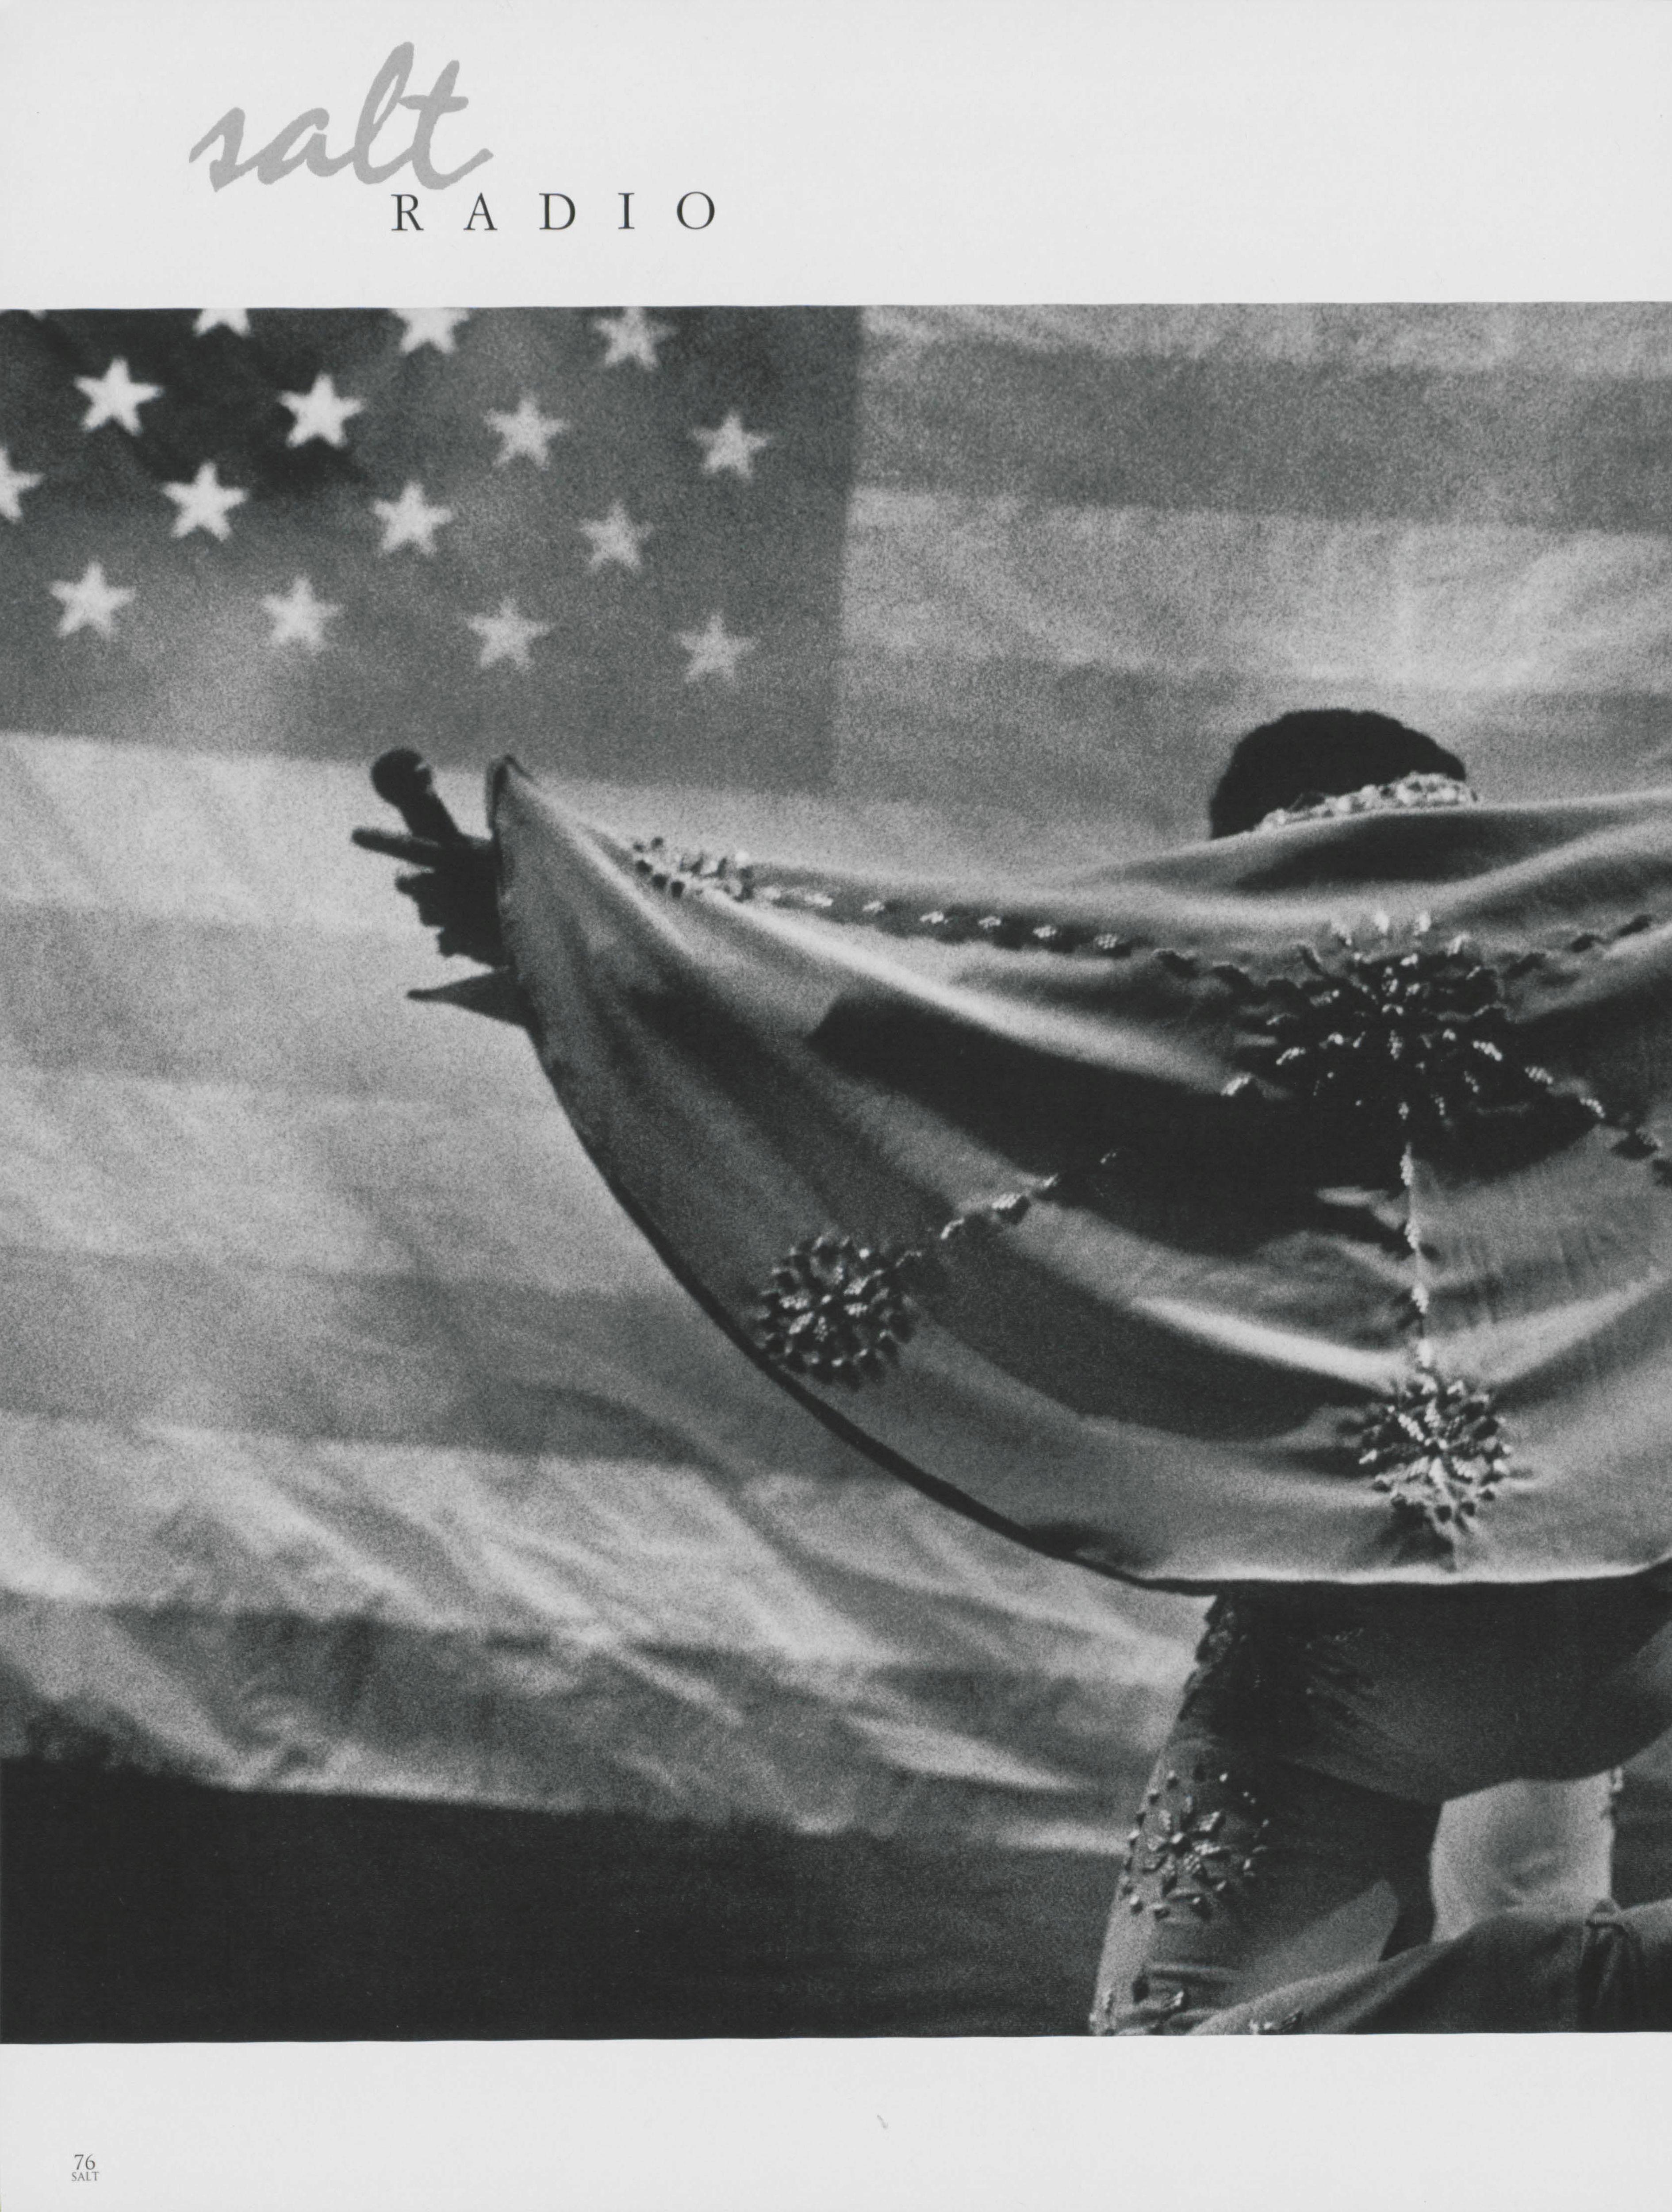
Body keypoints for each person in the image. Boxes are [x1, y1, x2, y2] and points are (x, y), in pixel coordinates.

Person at [356, 718, 1672, 2034]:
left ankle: (1577, 1987)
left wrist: (568, 947)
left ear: (1234, 865)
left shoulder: (1189, 995)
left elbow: (876, 1026)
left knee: (1168, 2067)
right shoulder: (1603, 956)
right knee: (1554, 2038)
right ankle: (1597, 1983)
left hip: (1349, 1650)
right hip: (1631, 1597)